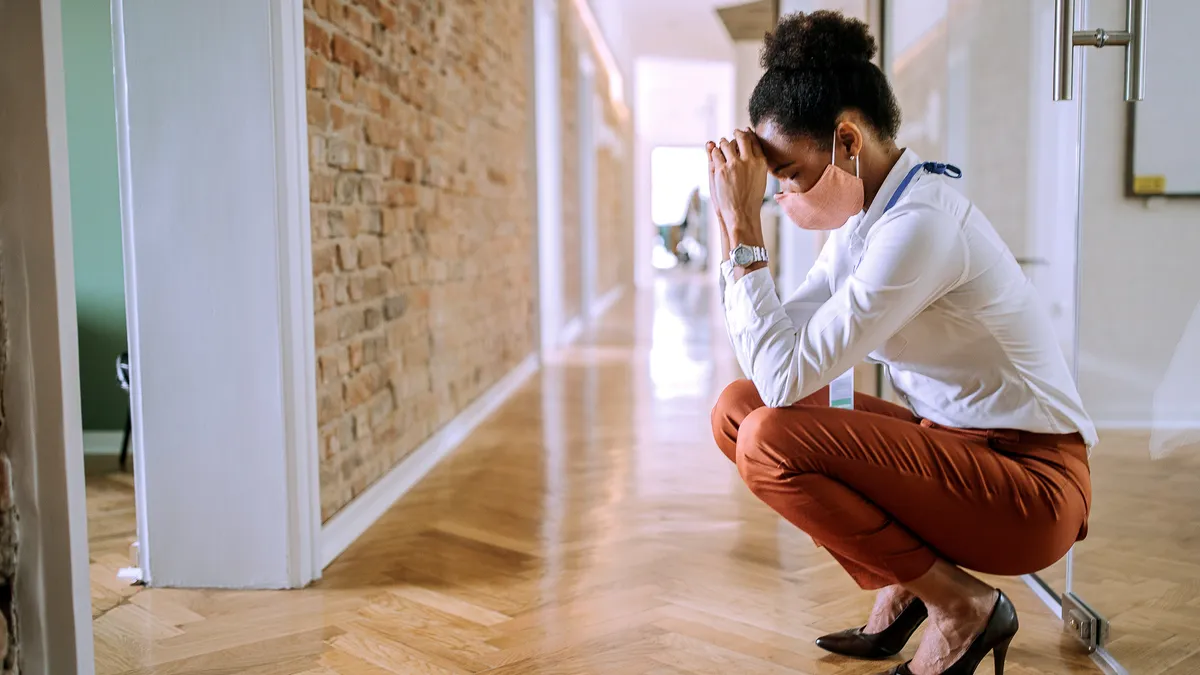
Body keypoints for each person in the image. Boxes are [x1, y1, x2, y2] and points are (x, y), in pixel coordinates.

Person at [706, 11, 1094, 675]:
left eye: (788, 174)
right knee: (737, 409)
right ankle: (913, 584)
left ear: (847, 141)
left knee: (770, 435)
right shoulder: (864, 223)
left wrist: (742, 223)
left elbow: (786, 377)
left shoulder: (919, 227)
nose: (780, 197)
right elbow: (770, 351)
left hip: (1032, 486)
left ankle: (958, 605)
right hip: (957, 447)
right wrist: (732, 223)